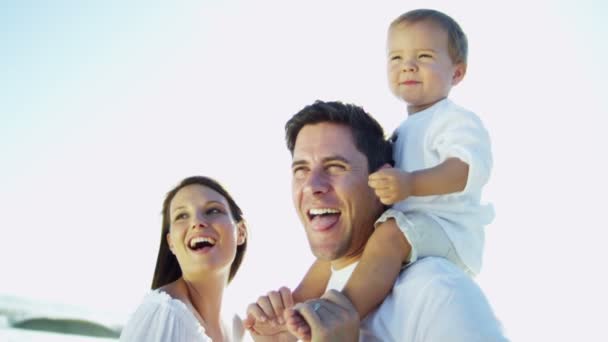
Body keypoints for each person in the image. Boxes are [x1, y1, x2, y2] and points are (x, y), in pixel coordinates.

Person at [283, 9, 495, 338]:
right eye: (396, 57)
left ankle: (342, 309)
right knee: (343, 251)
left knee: (388, 235)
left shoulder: (455, 120)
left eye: (423, 56)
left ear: (457, 72)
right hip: (409, 228)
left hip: (448, 230)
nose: (407, 66)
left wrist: (410, 184)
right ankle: (293, 307)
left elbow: (465, 171)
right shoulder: (402, 131)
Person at [245, 100, 507, 341]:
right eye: (301, 170)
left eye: (336, 167)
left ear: (381, 183)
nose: (313, 186)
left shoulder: (435, 290)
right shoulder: (302, 312)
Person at [120, 176, 248, 341]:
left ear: (241, 232)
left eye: (213, 210)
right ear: (171, 243)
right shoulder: (163, 313)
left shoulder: (237, 326)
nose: (197, 222)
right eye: (181, 215)